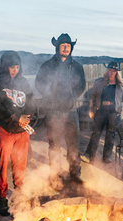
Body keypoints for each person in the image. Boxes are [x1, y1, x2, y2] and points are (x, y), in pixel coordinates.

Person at [35, 33, 86, 191]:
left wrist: (71, 97)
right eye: (63, 45)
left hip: (70, 110)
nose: (66, 48)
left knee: (73, 143)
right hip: (53, 110)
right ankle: (54, 174)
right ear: (57, 47)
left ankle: (75, 173)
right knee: (54, 144)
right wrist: (49, 97)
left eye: (68, 46)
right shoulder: (47, 65)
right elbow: (39, 83)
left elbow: (82, 85)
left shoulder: (76, 66)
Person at [0, 51, 35, 216]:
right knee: (2, 164)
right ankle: (2, 196)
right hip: (5, 130)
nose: (14, 70)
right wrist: (15, 117)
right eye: (11, 67)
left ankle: (19, 193)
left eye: (16, 67)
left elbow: (31, 101)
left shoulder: (24, 82)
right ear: (4, 66)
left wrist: (28, 118)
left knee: (20, 164)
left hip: (22, 131)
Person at [81, 61, 123, 163]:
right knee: (96, 133)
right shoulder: (99, 82)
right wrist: (91, 109)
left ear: (117, 72)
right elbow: (93, 96)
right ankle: (88, 155)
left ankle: (106, 157)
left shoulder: (120, 85)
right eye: (110, 70)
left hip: (114, 112)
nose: (112, 72)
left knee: (110, 134)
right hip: (101, 110)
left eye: (114, 71)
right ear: (107, 71)